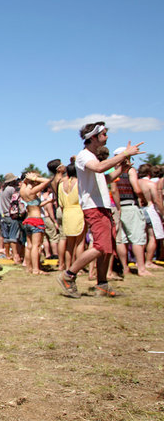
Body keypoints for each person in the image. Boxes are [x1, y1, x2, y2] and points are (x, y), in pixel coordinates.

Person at [57, 122, 144, 298]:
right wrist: (125, 154)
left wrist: (121, 169)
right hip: (94, 206)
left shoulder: (93, 156)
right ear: (93, 137)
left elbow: (105, 178)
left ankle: (102, 284)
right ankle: (68, 275)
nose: (107, 137)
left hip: (102, 205)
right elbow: (99, 168)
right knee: (100, 246)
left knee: (108, 246)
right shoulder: (84, 156)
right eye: (104, 134)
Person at [110, 148, 152, 277]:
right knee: (137, 238)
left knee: (121, 240)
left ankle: (125, 268)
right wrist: (143, 199)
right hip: (129, 205)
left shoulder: (111, 170)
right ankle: (141, 269)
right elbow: (137, 188)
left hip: (116, 207)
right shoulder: (130, 170)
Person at [19, 172, 52, 275]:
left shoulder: (23, 191)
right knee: (36, 246)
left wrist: (46, 201)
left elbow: (34, 204)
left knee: (29, 245)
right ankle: (36, 269)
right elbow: (47, 181)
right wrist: (36, 178)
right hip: (36, 220)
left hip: (28, 220)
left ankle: (29, 267)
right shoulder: (32, 191)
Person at [58, 163, 85, 271]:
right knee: (80, 243)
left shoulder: (61, 185)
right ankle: (78, 268)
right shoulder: (80, 183)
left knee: (69, 244)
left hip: (66, 213)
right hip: (78, 211)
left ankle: (68, 266)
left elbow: (60, 203)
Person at [138, 163, 164, 270]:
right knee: (152, 237)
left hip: (139, 209)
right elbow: (156, 200)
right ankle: (148, 261)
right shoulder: (150, 184)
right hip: (150, 209)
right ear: (149, 173)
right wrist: (162, 213)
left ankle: (140, 261)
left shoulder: (136, 182)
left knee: (141, 238)